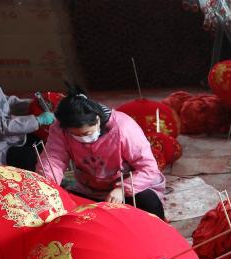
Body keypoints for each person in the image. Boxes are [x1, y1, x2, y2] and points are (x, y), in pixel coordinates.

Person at [37, 87, 166, 219]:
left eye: (87, 133)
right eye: (75, 135)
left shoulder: (123, 126)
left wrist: (122, 189)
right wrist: (47, 186)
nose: (83, 139)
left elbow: (148, 168)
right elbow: (54, 159)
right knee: (67, 209)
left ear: (98, 120)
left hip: (131, 185)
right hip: (90, 188)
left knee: (149, 203)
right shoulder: (60, 128)